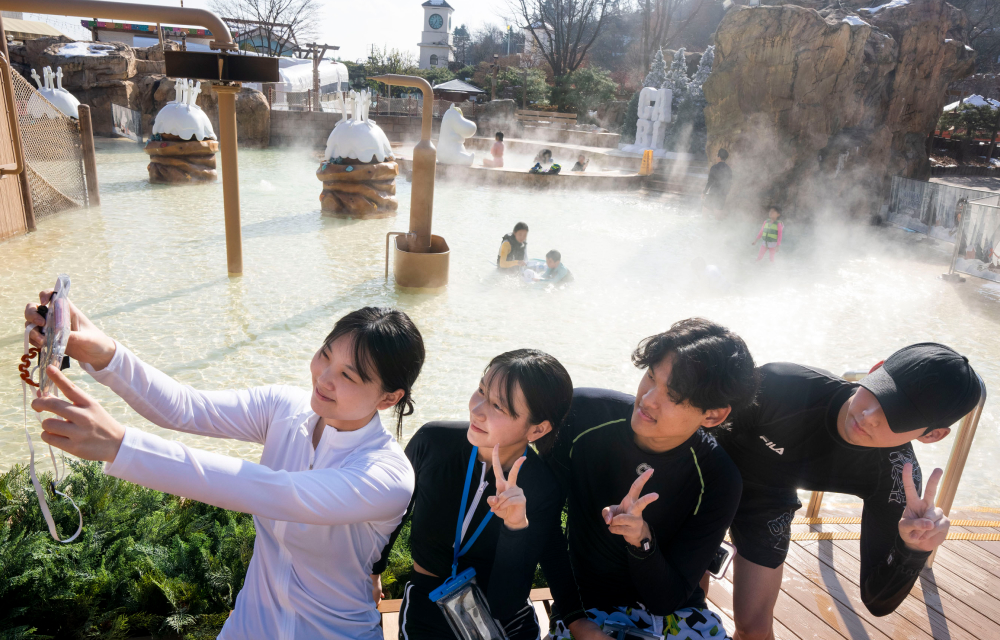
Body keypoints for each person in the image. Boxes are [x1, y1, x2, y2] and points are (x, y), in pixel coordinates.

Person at [25, 297, 425, 640]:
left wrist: (120, 445)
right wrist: (103, 353)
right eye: (325, 354)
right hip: (250, 627)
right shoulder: (286, 409)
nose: (323, 377)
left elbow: (277, 493)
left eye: (347, 375)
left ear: (389, 398)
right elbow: (186, 407)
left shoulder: (386, 475)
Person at [717, 343, 982, 640]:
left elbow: (877, 601)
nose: (869, 415)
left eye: (898, 417)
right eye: (880, 393)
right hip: (705, 476)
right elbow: (689, 433)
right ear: (875, 369)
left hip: (768, 499)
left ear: (931, 435)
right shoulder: (783, 384)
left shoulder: (896, 476)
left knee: (754, 630)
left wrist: (912, 550)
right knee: (687, 597)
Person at [541, 319, 759, 640]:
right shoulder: (581, 417)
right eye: (651, 377)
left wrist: (641, 540)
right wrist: (575, 620)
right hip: (586, 607)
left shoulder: (718, 477)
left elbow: (667, 600)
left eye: (673, 394)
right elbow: (542, 524)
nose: (648, 399)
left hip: (678, 616)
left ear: (713, 415)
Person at [372, 350, 576, 639]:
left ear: (537, 428)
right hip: (429, 599)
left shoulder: (541, 486)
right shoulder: (432, 442)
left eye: (497, 406)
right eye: (481, 390)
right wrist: (374, 572)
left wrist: (515, 527)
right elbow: (392, 513)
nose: (477, 409)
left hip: (501, 613)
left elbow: (507, 602)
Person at [702, 149, 733, 216]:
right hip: (722, 194)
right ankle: (718, 225)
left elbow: (710, 181)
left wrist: (704, 192)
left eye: (717, 155)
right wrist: (726, 193)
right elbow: (729, 183)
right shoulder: (729, 169)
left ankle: (705, 225)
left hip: (713, 192)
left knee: (705, 211)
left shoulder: (714, 167)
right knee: (718, 213)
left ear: (719, 157)